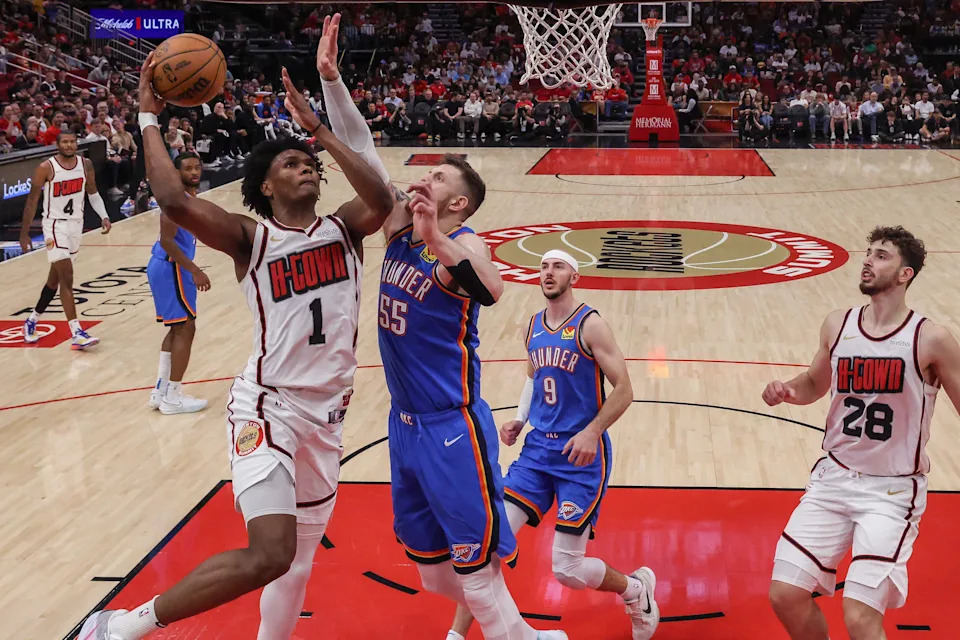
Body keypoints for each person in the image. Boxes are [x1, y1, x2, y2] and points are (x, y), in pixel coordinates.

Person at [78, 40, 393, 640]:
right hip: (268, 406)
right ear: (266, 188)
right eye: (290, 165)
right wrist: (149, 117)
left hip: (327, 418)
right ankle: (121, 627)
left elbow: (381, 196)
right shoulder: (251, 239)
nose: (304, 169)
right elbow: (172, 199)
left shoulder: (343, 229)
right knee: (270, 554)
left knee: (295, 566)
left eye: (309, 165)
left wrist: (319, 133)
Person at [316, 12, 566, 640]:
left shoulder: (464, 243)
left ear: (456, 204)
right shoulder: (402, 222)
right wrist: (332, 80)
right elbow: (364, 151)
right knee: (436, 576)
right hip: (403, 424)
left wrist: (435, 236)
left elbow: (492, 287)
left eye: (437, 179)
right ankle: (521, 629)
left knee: (475, 571)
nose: (421, 179)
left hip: (452, 424)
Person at [446, 249, 659, 640]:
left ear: (574, 277)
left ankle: (635, 590)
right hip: (537, 452)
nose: (548, 272)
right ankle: (456, 636)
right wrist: (520, 419)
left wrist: (592, 431)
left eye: (558, 266)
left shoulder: (591, 325)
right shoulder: (532, 326)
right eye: (544, 266)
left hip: (581, 456)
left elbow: (625, 390)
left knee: (567, 569)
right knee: (487, 546)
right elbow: (533, 377)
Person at [765, 226, 960, 640]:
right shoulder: (839, 324)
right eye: (869, 253)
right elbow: (815, 384)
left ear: (905, 274)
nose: (868, 260)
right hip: (833, 480)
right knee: (784, 593)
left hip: (890, 493)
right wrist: (787, 391)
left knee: (858, 613)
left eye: (882, 256)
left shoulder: (931, 338)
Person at [18, 130, 111, 349]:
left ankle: (31, 321)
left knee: (55, 280)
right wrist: (24, 234)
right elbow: (32, 201)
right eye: (65, 142)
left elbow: (93, 192)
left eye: (72, 142)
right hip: (54, 225)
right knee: (67, 278)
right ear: (57, 144)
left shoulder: (85, 164)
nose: (69, 145)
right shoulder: (46, 168)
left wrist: (104, 215)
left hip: (75, 225)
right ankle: (77, 332)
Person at [146, 152, 212, 415]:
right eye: (188, 169)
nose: (194, 172)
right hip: (171, 266)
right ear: (177, 173)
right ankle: (173, 395)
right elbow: (167, 241)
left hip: (165, 266)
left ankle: (161, 389)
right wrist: (195, 270)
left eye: (197, 168)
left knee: (176, 329)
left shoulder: (188, 198)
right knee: (186, 328)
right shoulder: (175, 201)